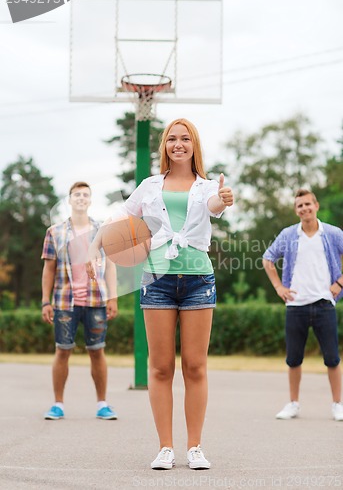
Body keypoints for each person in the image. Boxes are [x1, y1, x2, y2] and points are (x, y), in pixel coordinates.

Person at [86, 119, 233, 469]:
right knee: (161, 367)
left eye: (185, 139)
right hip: (157, 280)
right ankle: (165, 447)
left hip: (199, 280)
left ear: (194, 145)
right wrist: (95, 247)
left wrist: (223, 198)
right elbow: (119, 216)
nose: (178, 144)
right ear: (164, 146)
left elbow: (215, 204)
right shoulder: (150, 186)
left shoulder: (208, 186)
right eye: (172, 139)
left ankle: (194, 447)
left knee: (195, 367)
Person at [262, 189, 343, 421]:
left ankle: (338, 404)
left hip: (324, 304)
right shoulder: (288, 235)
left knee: (332, 358)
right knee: (293, 359)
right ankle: (293, 404)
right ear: (296, 210)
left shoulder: (332, 234)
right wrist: (279, 287)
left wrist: (339, 283)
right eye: (300, 206)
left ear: (316, 205)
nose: (304, 208)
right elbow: (268, 258)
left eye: (308, 204)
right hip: (295, 305)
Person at [41, 181, 118, 420]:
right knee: (62, 351)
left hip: (96, 301)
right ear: (70, 199)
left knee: (97, 351)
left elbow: (111, 265)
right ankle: (58, 404)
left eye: (85, 194)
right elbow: (48, 269)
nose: (81, 198)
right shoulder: (55, 232)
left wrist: (113, 297)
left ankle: (102, 404)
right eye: (77, 194)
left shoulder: (102, 230)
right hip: (65, 302)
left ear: (91, 200)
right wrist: (46, 301)